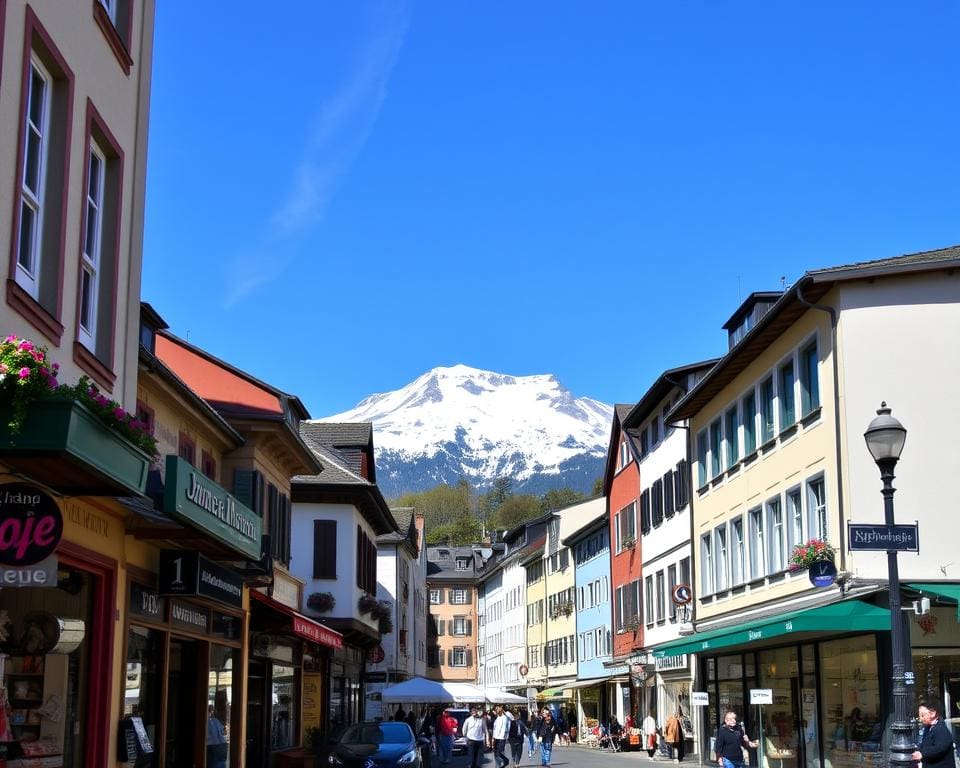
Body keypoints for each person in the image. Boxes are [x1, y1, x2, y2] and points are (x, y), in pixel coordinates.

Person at [911, 698, 955, 768]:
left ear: (932, 713)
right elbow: (925, 745)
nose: (920, 718)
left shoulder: (941, 729)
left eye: (922, 715)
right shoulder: (928, 728)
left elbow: (940, 748)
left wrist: (922, 754)